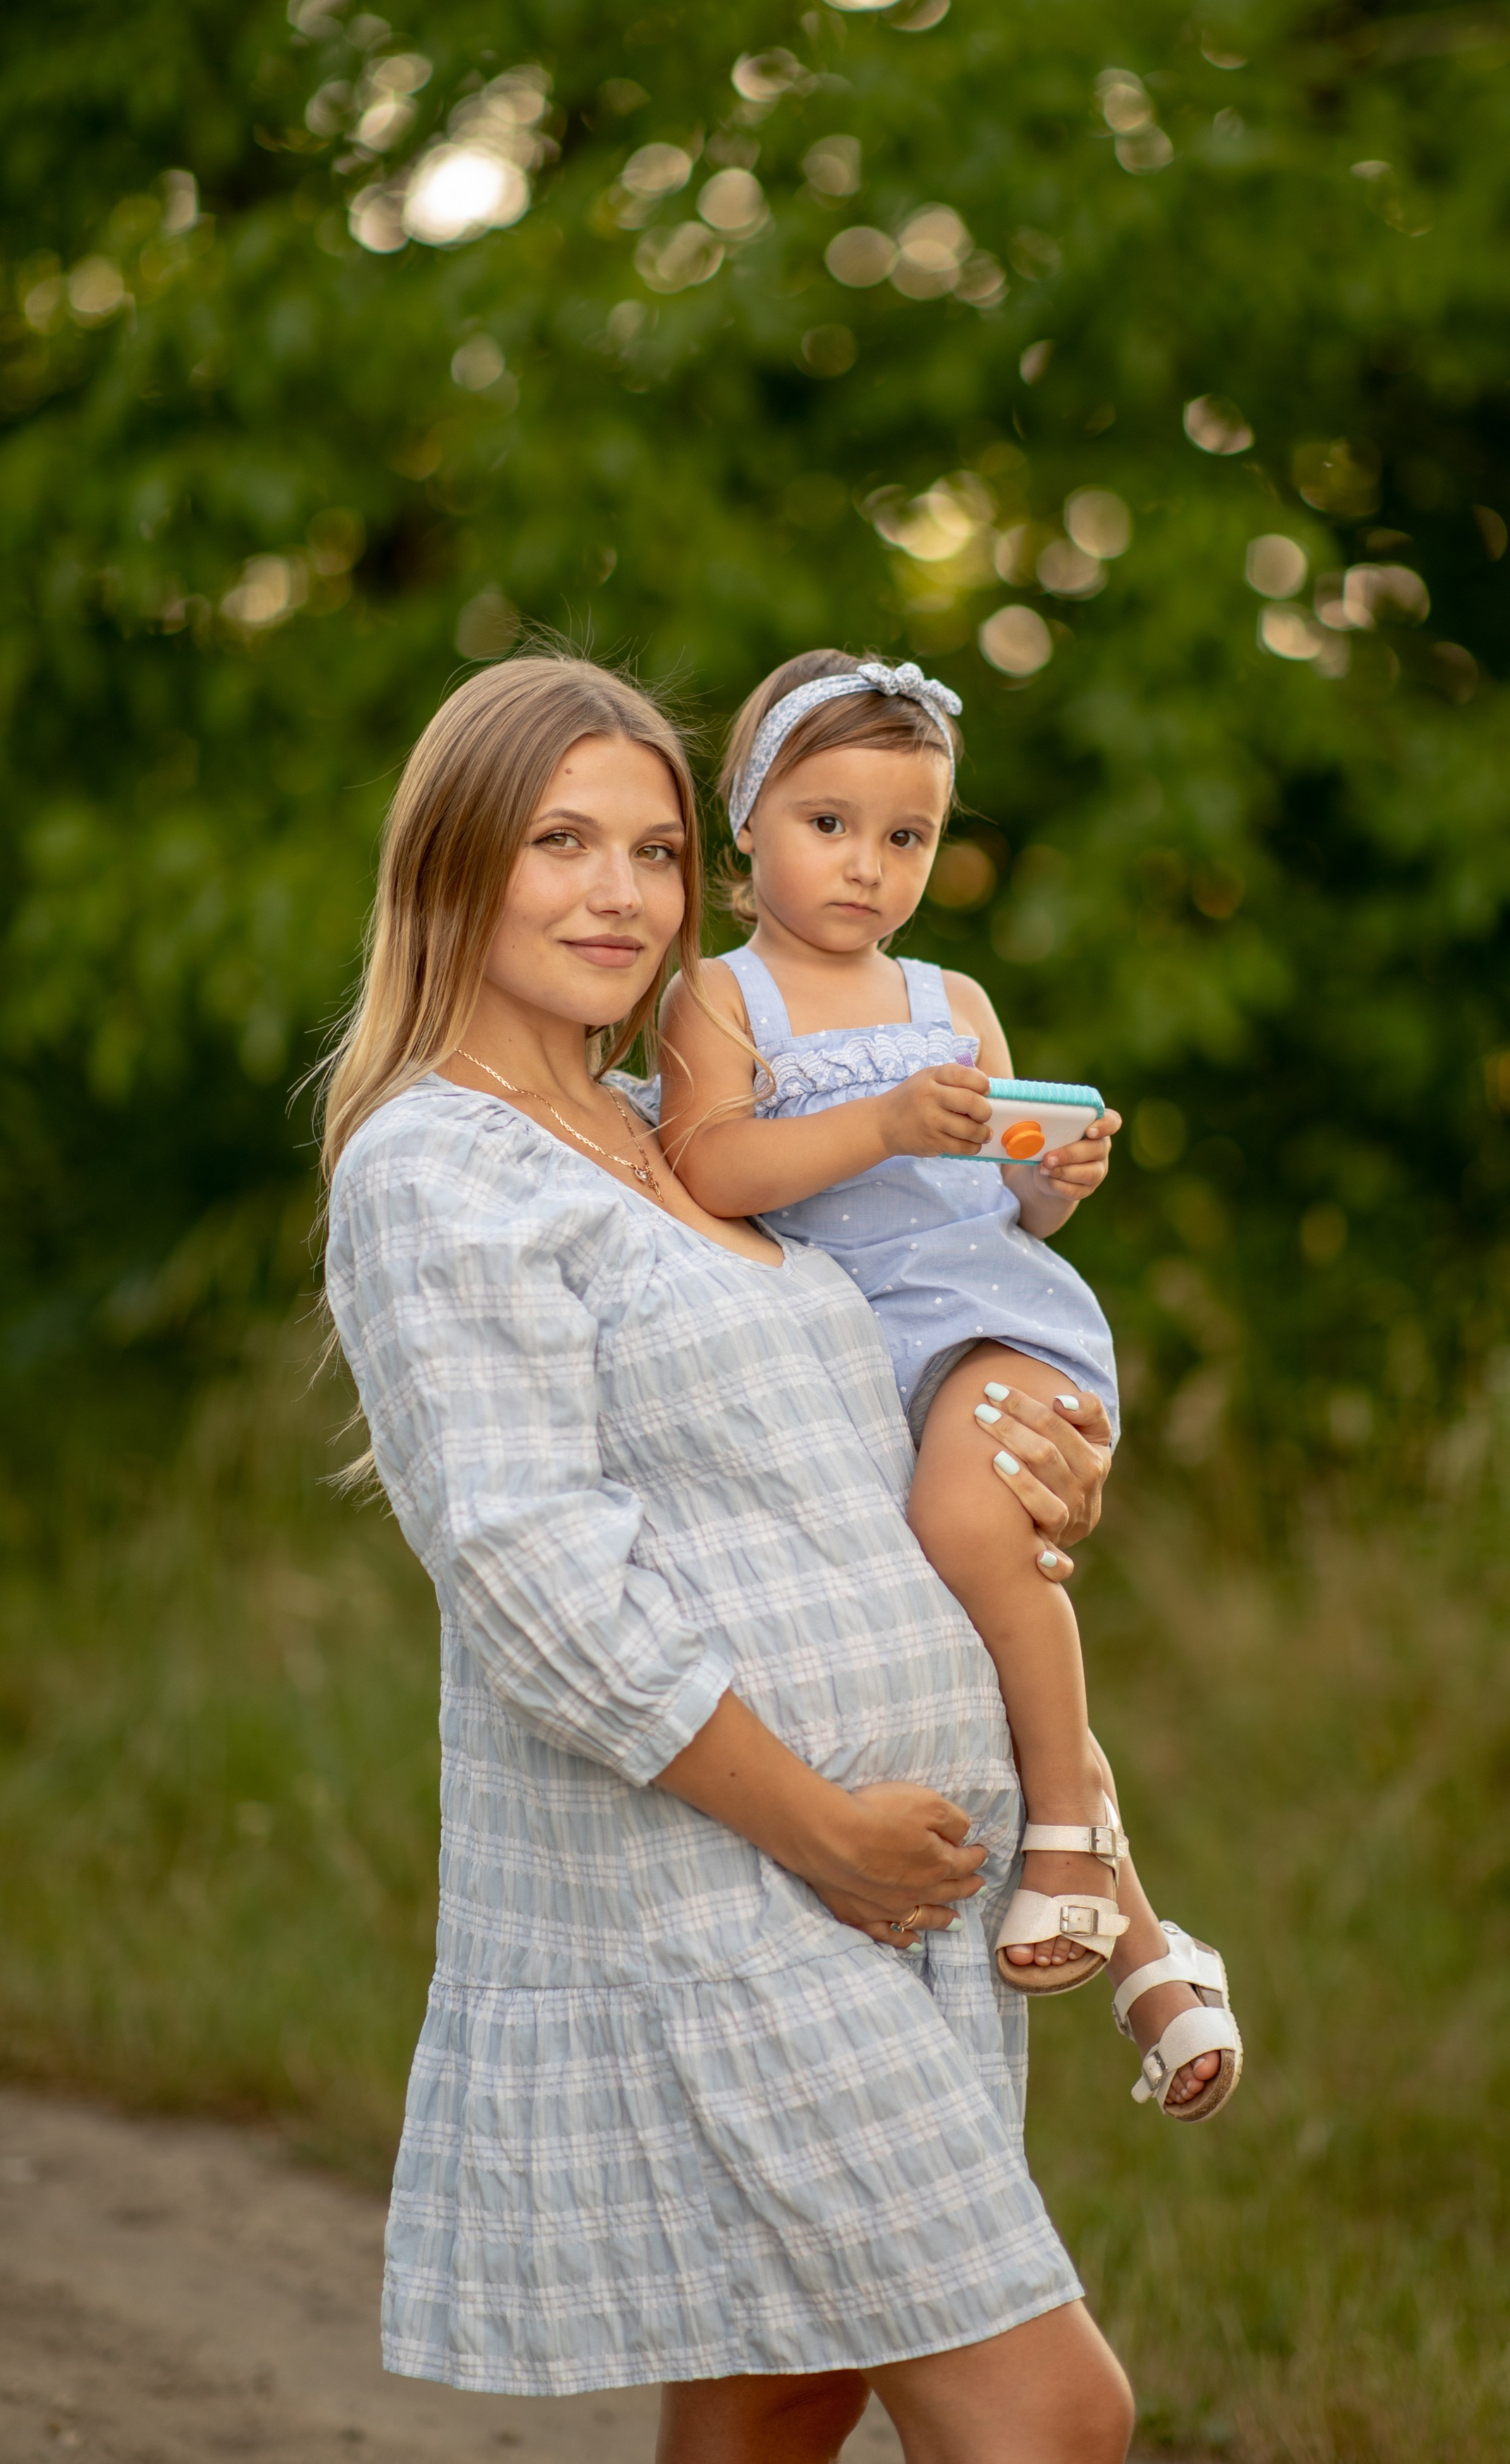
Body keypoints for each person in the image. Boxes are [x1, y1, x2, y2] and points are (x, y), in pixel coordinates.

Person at [317, 647, 1141, 2462]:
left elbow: (851, 1427)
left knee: (788, 2381)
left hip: (894, 1875)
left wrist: (1029, 1467)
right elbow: (534, 1576)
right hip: (723, 1883)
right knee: (1048, 2415)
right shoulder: (435, 1170)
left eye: (655, 850)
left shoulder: (663, 1142)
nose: (618, 894)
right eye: (559, 842)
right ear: (453, 863)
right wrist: (816, 1826)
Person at [659, 652, 1240, 2120]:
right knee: (966, 1630)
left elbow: (992, 1211)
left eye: (905, 836)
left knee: (981, 1546)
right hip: (867, 1362)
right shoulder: (717, 1004)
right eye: (828, 824)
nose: (866, 868)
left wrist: (1059, 1182)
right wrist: (876, 1119)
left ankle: (1060, 1838)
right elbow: (709, 1163)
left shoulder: (951, 997)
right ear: (746, 823)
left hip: (983, 1322)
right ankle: (1153, 1954)